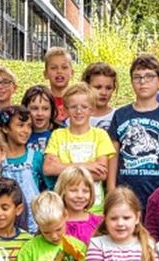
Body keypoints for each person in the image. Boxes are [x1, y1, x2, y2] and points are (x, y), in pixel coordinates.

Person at [107, 54, 159, 211]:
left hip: (156, 189)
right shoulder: (120, 115)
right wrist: (111, 188)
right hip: (125, 192)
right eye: (137, 77)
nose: (142, 82)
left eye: (149, 77)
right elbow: (112, 154)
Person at [43, 83, 115, 214]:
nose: (78, 111)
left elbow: (101, 174)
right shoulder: (58, 135)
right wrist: (87, 165)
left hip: (94, 208)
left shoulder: (100, 135)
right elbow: (48, 168)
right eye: (73, 107)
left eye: (84, 107)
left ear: (92, 109)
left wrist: (62, 167)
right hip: (64, 209)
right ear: (64, 110)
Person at [0, 105, 46, 233]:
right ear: (5, 128)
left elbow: (49, 188)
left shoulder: (36, 157)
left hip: (35, 225)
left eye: (29, 126)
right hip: (4, 223)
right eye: (20, 125)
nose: (26, 130)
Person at [56, 165, 103, 246]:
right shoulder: (54, 223)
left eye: (85, 191)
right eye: (73, 190)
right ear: (62, 191)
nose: (80, 196)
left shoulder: (99, 223)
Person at [22, 85, 60, 153]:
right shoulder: (20, 135)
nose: (40, 113)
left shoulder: (61, 133)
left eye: (45, 109)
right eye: (34, 108)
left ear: (52, 110)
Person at [83, 62, 118, 131]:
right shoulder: (77, 117)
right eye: (98, 87)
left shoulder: (118, 116)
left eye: (108, 88)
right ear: (86, 87)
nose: (104, 93)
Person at [44, 47, 74, 124]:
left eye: (64, 67)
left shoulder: (78, 100)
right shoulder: (42, 100)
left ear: (72, 73)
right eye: (53, 68)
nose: (59, 71)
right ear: (45, 74)